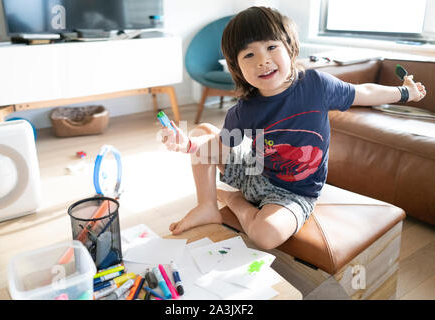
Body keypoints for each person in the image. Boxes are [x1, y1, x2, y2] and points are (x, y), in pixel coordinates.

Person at [160, 6, 426, 250]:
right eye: (249, 54)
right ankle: (207, 206)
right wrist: (188, 146)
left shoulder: (317, 86)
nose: (262, 60)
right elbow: (217, 147)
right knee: (201, 133)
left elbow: (364, 92)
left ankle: (233, 201)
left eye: (271, 47)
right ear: (237, 68)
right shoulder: (244, 109)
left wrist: (405, 92)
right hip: (254, 171)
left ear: (290, 48)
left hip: (295, 192)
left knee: (265, 236)